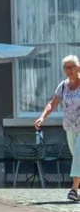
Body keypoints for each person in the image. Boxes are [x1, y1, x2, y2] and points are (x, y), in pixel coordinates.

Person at [34, 53, 80, 201]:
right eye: (65, 68)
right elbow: (52, 103)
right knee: (77, 157)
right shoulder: (63, 86)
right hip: (70, 128)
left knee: (79, 155)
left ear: (78, 67)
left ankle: (73, 189)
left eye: (71, 67)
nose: (68, 70)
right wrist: (42, 117)